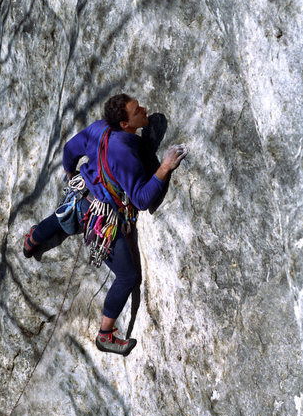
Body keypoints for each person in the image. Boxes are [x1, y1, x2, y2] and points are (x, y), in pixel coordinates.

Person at [23, 93, 187, 356]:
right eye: (137, 111)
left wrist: (71, 174)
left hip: (81, 192)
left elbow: (69, 151)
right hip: (102, 215)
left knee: (64, 216)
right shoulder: (124, 152)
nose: (143, 109)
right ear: (124, 124)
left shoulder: (99, 128)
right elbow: (142, 199)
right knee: (128, 277)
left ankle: (33, 239)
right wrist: (165, 167)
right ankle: (105, 335)